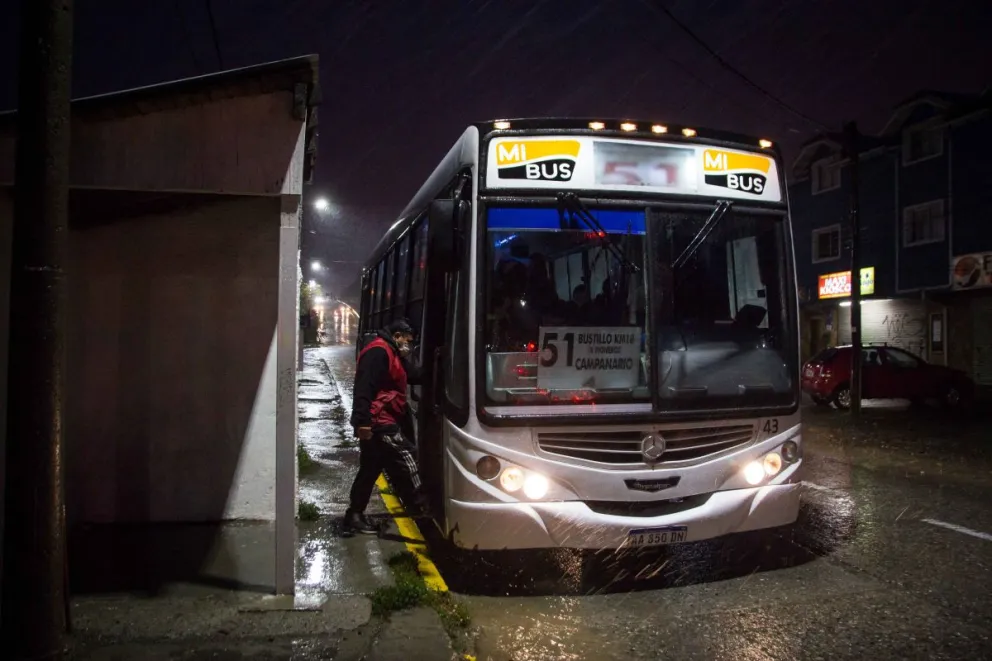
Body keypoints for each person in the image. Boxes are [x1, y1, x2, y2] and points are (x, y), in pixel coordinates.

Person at [344, 318, 427, 534]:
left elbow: (414, 375)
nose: (408, 345)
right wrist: (362, 422)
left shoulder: (393, 353)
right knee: (408, 454)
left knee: (370, 469)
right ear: (397, 336)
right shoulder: (378, 352)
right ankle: (420, 503)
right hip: (378, 419)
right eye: (407, 340)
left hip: (382, 416)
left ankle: (354, 515)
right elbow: (363, 388)